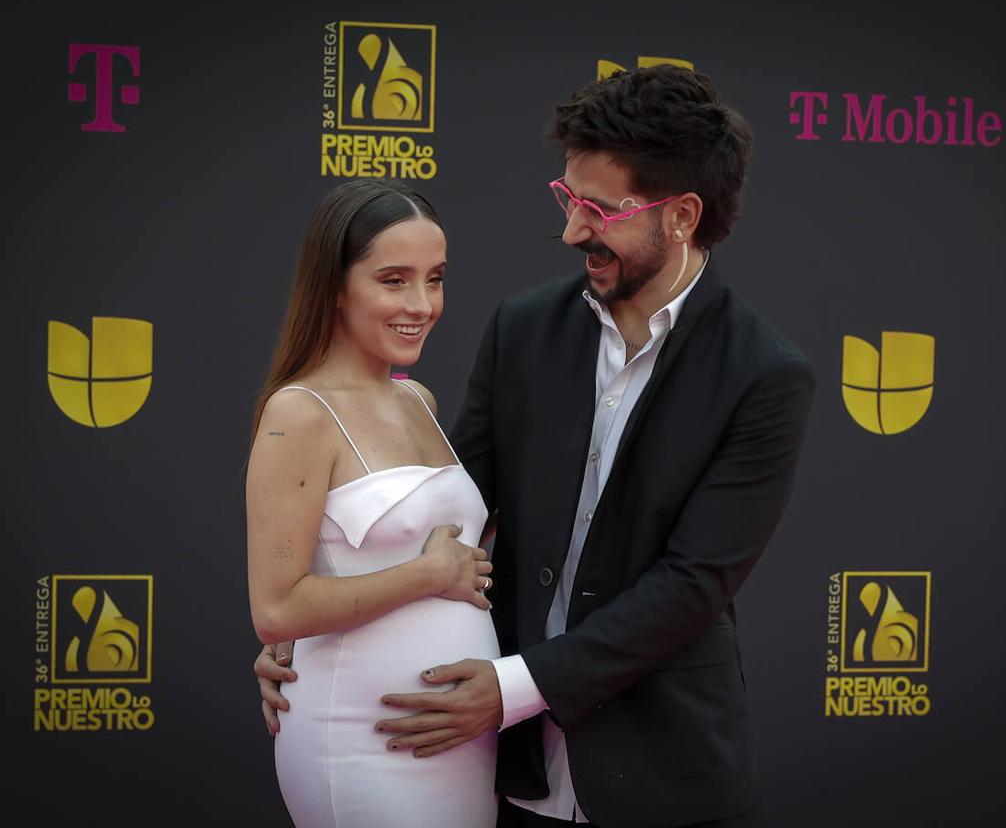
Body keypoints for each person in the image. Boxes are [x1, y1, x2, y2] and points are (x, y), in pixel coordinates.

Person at [259, 65, 815, 827]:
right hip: (499, 767)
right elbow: (445, 516)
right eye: (566, 198)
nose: (572, 230)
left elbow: (692, 584)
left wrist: (512, 689)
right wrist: (306, 636)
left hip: (661, 771)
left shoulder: (764, 375)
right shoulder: (521, 328)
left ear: (682, 215)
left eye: (597, 208)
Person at [245, 179, 500, 827]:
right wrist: (429, 574)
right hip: (362, 742)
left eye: (435, 278)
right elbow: (278, 610)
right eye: (394, 280)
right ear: (335, 285)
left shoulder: (420, 401)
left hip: (463, 745)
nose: (422, 303)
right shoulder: (298, 413)